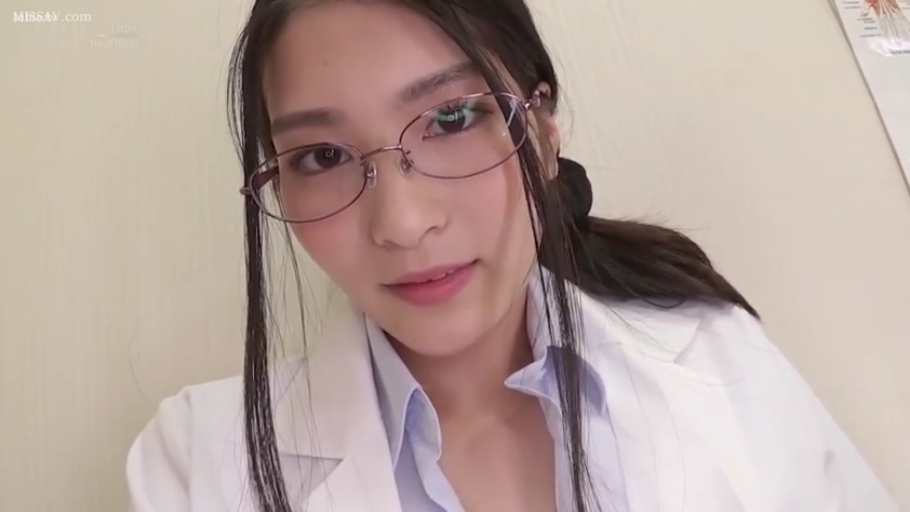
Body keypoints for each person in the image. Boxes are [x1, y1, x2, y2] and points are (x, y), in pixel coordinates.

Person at [125, 1, 899, 511]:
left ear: (545, 132)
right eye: (323, 156)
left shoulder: (722, 358)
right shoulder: (199, 462)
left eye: (453, 118)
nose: (403, 223)